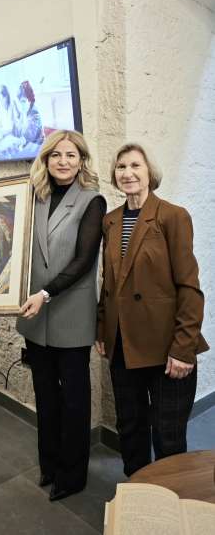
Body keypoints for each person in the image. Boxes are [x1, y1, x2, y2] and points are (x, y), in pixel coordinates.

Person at [95, 142, 209, 477]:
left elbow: (189, 288)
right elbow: (109, 283)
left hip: (166, 348)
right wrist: (102, 329)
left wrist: (184, 349)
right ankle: (138, 493)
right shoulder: (110, 221)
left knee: (167, 435)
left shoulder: (173, 216)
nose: (127, 173)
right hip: (122, 344)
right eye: (121, 167)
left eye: (136, 166)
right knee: (129, 428)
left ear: (150, 173)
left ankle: (171, 498)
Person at [17, 130, 106, 502]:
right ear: (46, 159)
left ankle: (72, 475)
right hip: (34, 316)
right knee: (45, 395)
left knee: (73, 398)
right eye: (56, 155)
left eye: (71, 155)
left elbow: (84, 260)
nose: (63, 161)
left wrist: (44, 294)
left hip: (70, 311)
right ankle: (50, 464)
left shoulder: (92, 200)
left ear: (82, 160)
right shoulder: (32, 196)